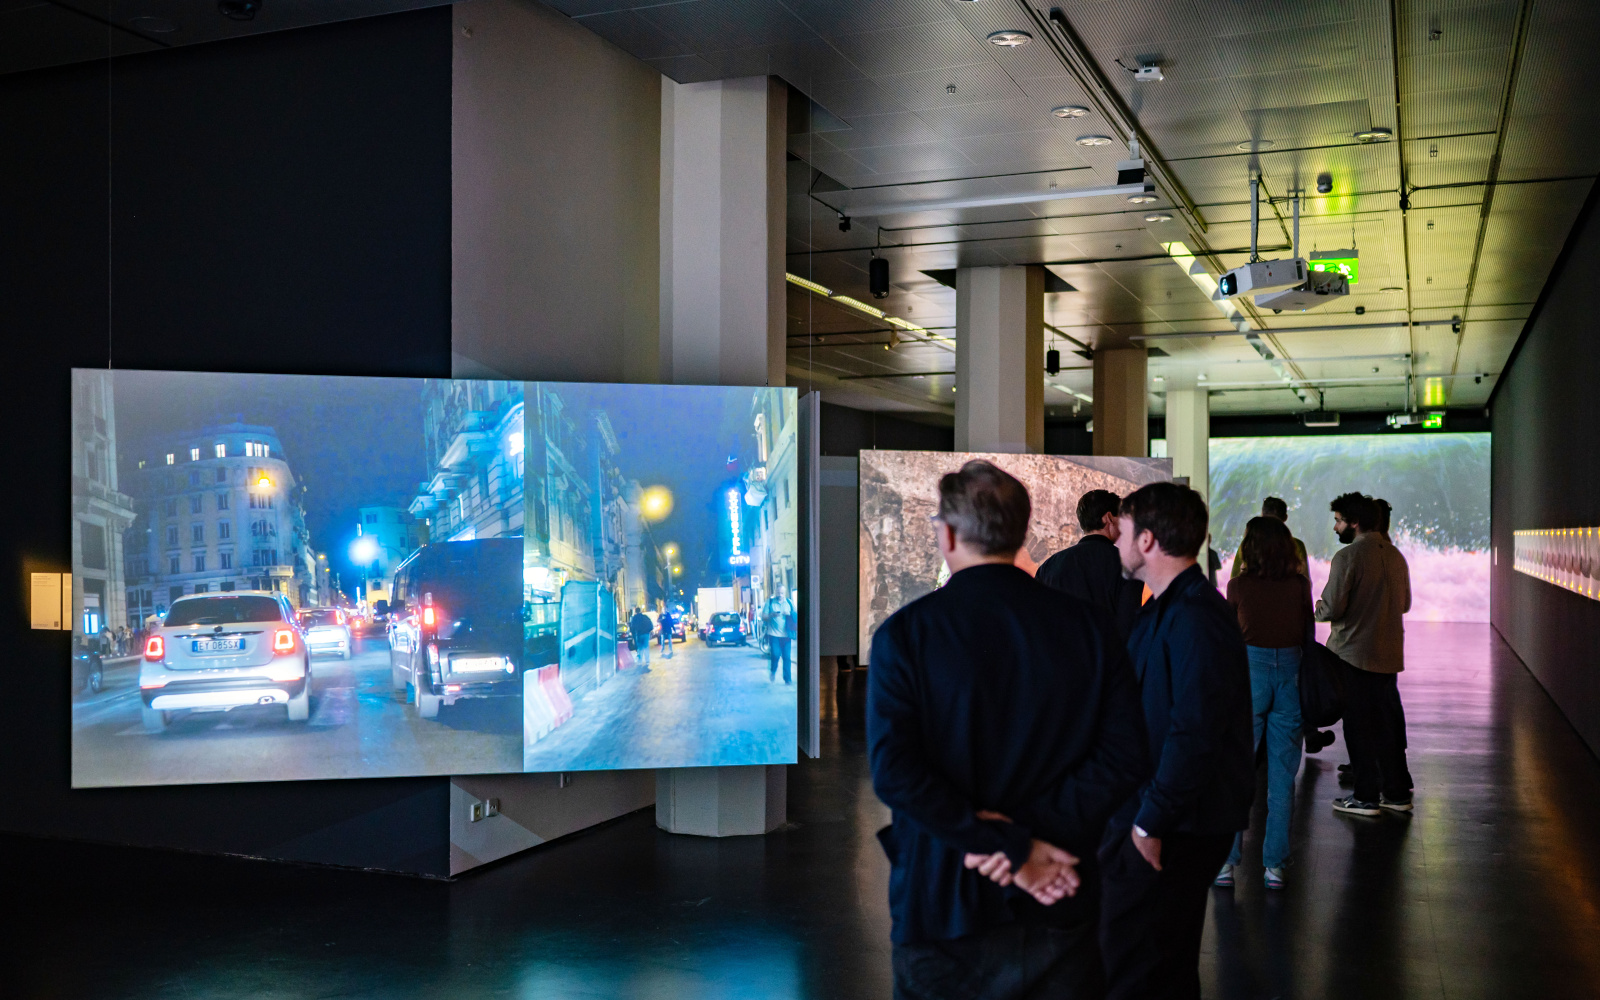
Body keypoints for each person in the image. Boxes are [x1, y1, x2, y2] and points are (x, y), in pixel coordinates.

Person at [868, 460, 1148, 1000]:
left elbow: (896, 774)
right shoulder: (1088, 628)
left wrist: (1008, 846)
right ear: (1021, 532)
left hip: (942, 894)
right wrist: (1031, 848)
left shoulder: (906, 635)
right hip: (1058, 886)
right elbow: (1124, 757)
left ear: (947, 534)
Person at [1100, 481, 1254, 1000]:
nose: (1115, 541)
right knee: (1158, 963)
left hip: (1176, 824)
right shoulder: (1170, 608)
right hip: (1166, 816)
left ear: (1146, 541)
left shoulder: (1194, 617)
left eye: (1121, 531)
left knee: (1144, 966)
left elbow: (1194, 733)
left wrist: (1149, 822)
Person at [1214, 517, 1312, 891]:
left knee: (1237, 771)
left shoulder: (1237, 586)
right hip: (1290, 672)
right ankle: (1274, 866)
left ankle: (1225, 864)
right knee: (1283, 777)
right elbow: (1307, 632)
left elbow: (1229, 636)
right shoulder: (1299, 586)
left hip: (1249, 678)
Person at [1316, 493, 1413, 816]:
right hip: (1388, 655)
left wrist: (1313, 609)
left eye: (1339, 520)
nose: (1335, 527)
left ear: (1354, 523)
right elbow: (1405, 604)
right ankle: (1397, 793)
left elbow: (1331, 607)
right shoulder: (1396, 555)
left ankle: (1366, 795)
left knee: (1358, 726)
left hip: (1353, 655)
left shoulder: (1349, 557)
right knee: (1386, 725)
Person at [1036, 489, 1143, 645]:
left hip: (1059, 663)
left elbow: (1040, 623)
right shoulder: (1129, 565)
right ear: (1109, 518)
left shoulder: (1049, 566)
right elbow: (1130, 629)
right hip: (1106, 664)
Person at [1231, 497, 1309, 578]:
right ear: (1285, 517)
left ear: (1262, 515)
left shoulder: (1250, 543)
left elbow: (1234, 576)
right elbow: (1305, 577)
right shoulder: (1297, 545)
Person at [765, 586, 794, 685]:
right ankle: (773, 671)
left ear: (784, 593)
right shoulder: (769, 602)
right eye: (778, 593)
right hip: (773, 635)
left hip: (786, 635)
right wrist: (771, 615)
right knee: (775, 655)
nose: (780, 595)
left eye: (782, 593)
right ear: (775, 592)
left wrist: (789, 613)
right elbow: (763, 617)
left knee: (787, 657)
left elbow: (796, 615)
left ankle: (788, 679)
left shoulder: (789, 602)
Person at [628, 607, 653, 672]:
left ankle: (640, 662)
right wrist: (648, 631)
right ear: (641, 611)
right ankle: (647, 661)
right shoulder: (645, 617)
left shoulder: (634, 618)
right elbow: (651, 625)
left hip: (639, 635)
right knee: (646, 648)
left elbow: (632, 628)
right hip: (646, 634)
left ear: (635, 611)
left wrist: (634, 636)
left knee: (640, 649)